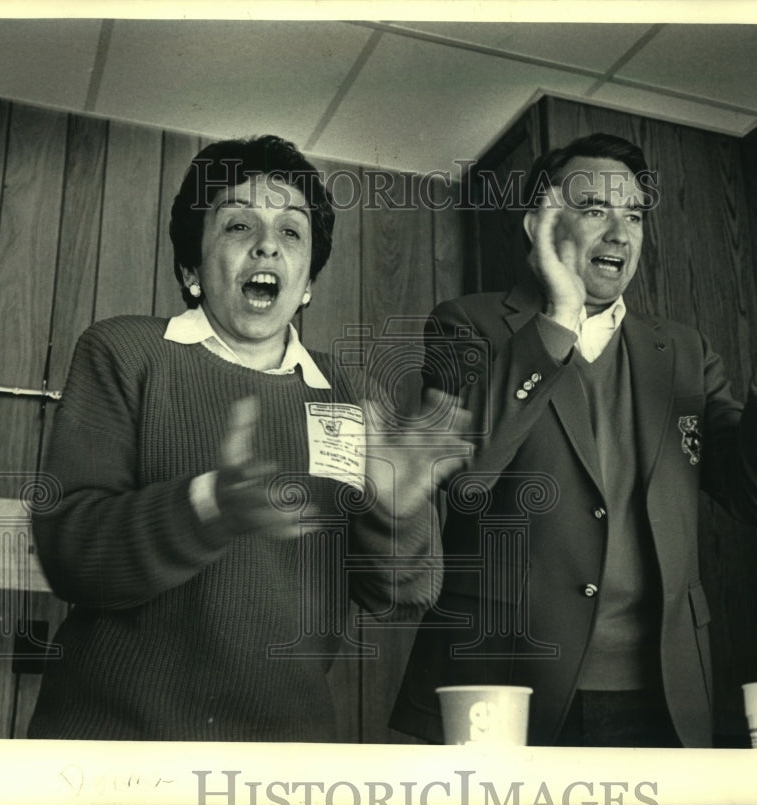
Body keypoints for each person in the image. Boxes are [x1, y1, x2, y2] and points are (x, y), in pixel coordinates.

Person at [390, 132, 757, 748]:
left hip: (664, 692)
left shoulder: (683, 351)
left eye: (633, 214)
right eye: (595, 209)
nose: (620, 232)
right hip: (502, 682)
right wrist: (557, 316)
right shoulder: (465, 323)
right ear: (539, 225)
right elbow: (463, 478)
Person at [28, 135, 466, 742]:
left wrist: (400, 511)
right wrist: (210, 505)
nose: (267, 244)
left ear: (308, 280)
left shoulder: (350, 394)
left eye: (291, 232)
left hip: (284, 756)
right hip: (114, 744)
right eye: (238, 224)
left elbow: (403, 594)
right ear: (191, 268)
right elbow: (70, 557)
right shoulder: (125, 351)